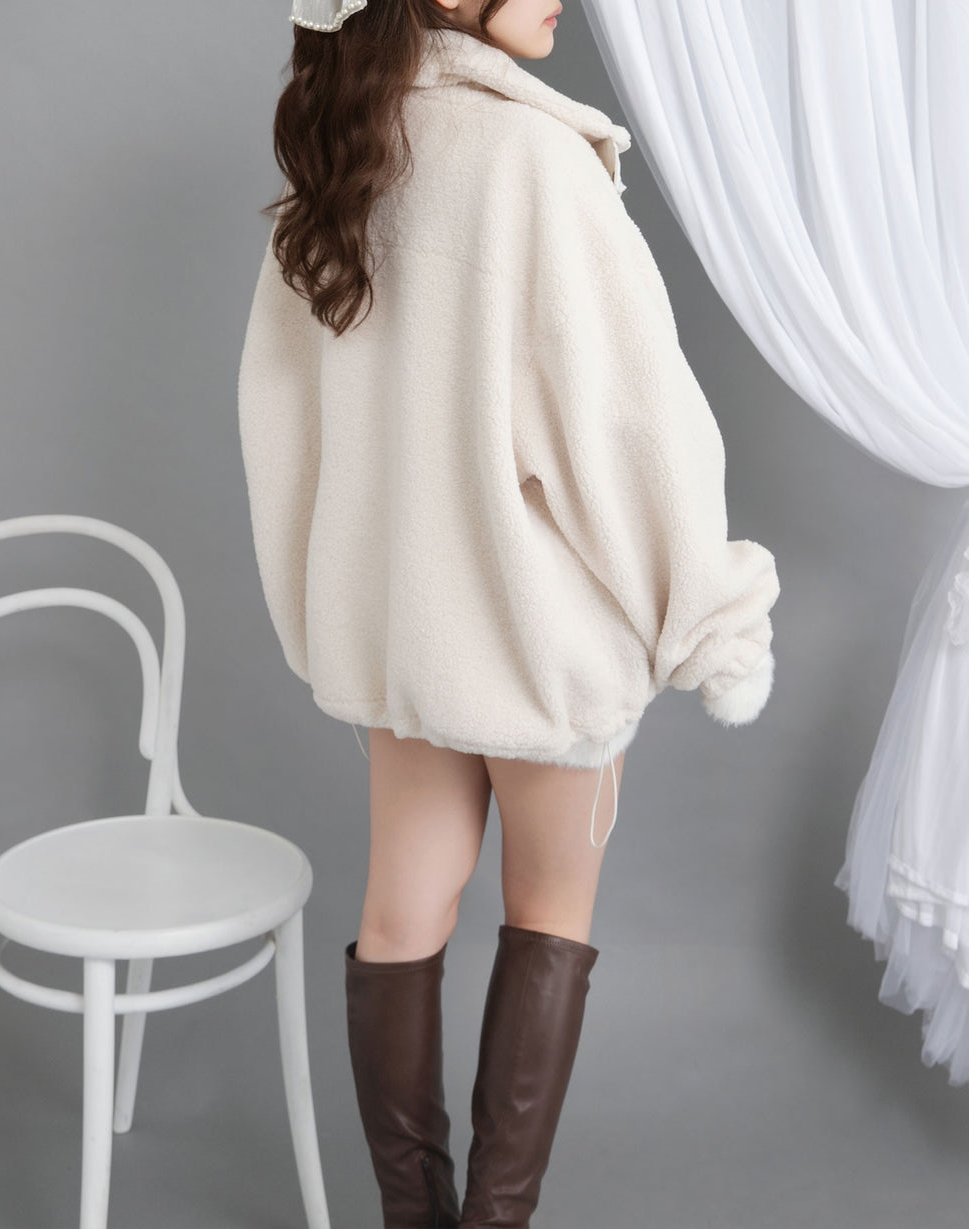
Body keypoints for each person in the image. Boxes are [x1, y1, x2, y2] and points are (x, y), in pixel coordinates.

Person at [237, 0, 781, 1225]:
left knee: (400, 909)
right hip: (543, 636)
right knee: (549, 914)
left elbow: (283, 425)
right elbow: (630, 428)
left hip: (406, 633)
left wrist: (336, 602)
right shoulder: (533, 159)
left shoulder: (343, 151)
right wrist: (711, 612)